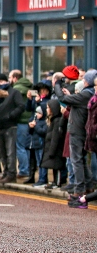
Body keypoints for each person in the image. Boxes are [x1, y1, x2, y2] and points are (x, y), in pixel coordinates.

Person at [54, 69, 97, 198]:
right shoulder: (88, 94)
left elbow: (62, 98)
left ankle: (79, 190)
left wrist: (57, 84)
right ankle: (88, 187)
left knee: (76, 160)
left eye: (84, 80)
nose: (82, 81)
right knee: (82, 160)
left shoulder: (86, 94)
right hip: (82, 130)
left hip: (77, 131)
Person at [0, 74, 24, 184]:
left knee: (10, 151)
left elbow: (21, 106)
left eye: (2, 81)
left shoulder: (14, 92)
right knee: (1, 152)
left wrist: (11, 115)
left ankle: (11, 174)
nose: (0, 84)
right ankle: (5, 172)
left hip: (10, 125)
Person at [9, 70, 34, 180]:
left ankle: (23, 170)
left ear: (15, 78)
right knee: (27, 147)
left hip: (21, 120)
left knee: (20, 146)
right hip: (30, 120)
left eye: (10, 77)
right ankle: (28, 168)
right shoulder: (31, 86)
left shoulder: (15, 89)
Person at [25, 82, 51, 186]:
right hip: (34, 128)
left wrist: (39, 102)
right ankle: (33, 176)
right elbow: (29, 109)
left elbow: (43, 112)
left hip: (40, 129)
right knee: (33, 156)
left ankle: (42, 179)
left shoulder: (46, 102)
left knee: (41, 158)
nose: (42, 92)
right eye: (41, 90)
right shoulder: (37, 100)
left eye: (44, 90)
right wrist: (29, 99)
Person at [41, 99, 67, 189]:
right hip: (52, 149)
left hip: (56, 149)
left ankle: (57, 182)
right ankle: (55, 181)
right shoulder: (53, 121)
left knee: (57, 166)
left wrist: (51, 151)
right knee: (53, 166)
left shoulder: (57, 121)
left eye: (48, 107)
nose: (46, 109)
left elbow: (55, 138)